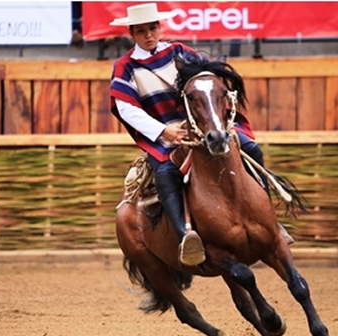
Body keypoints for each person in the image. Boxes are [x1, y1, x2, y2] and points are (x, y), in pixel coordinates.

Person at [109, 3, 293, 267]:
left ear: (159, 28)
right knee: (165, 173)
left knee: (251, 148)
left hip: (204, 125)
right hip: (166, 136)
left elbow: (210, 79)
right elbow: (126, 108)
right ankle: (186, 238)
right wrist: (163, 130)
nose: (148, 35)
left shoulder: (179, 52)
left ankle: (268, 221)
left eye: (152, 28)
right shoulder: (125, 66)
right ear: (132, 34)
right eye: (141, 31)